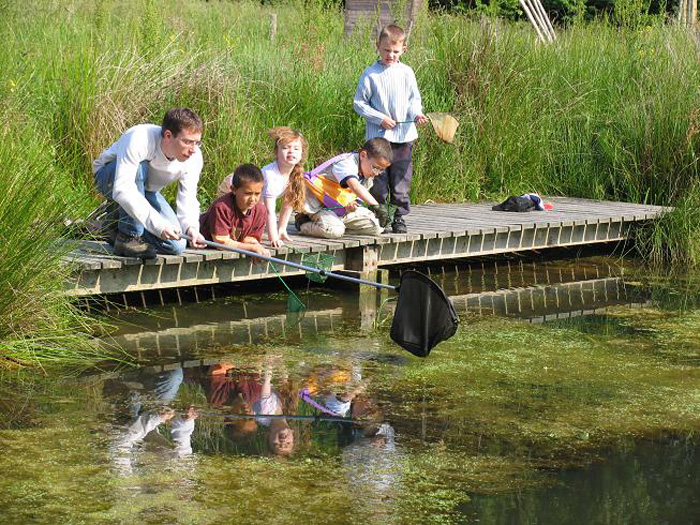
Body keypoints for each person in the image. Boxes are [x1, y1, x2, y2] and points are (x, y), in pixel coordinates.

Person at [93, 107, 207, 259]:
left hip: (147, 191)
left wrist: (191, 228)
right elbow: (123, 188)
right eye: (188, 142)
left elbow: (188, 199)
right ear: (168, 135)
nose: (193, 149)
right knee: (140, 168)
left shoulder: (194, 157)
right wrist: (159, 225)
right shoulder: (139, 138)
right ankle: (128, 237)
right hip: (110, 177)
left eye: (197, 143)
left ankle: (113, 224)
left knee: (176, 245)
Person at [353, 24, 429, 234]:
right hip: (379, 140)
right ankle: (382, 217)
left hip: (403, 139)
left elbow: (414, 100)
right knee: (377, 182)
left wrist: (417, 114)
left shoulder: (407, 72)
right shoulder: (370, 74)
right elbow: (359, 104)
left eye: (395, 51)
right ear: (378, 47)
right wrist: (380, 119)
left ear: (403, 50)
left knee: (401, 181)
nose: (390, 55)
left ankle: (399, 218)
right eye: (387, 50)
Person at [295, 137, 393, 239]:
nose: (376, 173)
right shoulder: (346, 163)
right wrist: (376, 206)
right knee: (334, 231)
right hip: (318, 207)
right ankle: (304, 224)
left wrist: (351, 207)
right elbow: (354, 186)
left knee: (377, 228)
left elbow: (356, 200)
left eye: (381, 170)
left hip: (340, 210)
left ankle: (335, 225)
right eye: (375, 167)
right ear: (363, 155)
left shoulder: (368, 175)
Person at [199, 163, 270, 258]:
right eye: (248, 193)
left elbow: (251, 238)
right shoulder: (221, 207)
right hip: (194, 237)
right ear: (233, 189)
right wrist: (252, 248)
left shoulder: (260, 210)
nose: (253, 199)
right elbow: (221, 243)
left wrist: (256, 247)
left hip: (230, 241)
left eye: (257, 194)